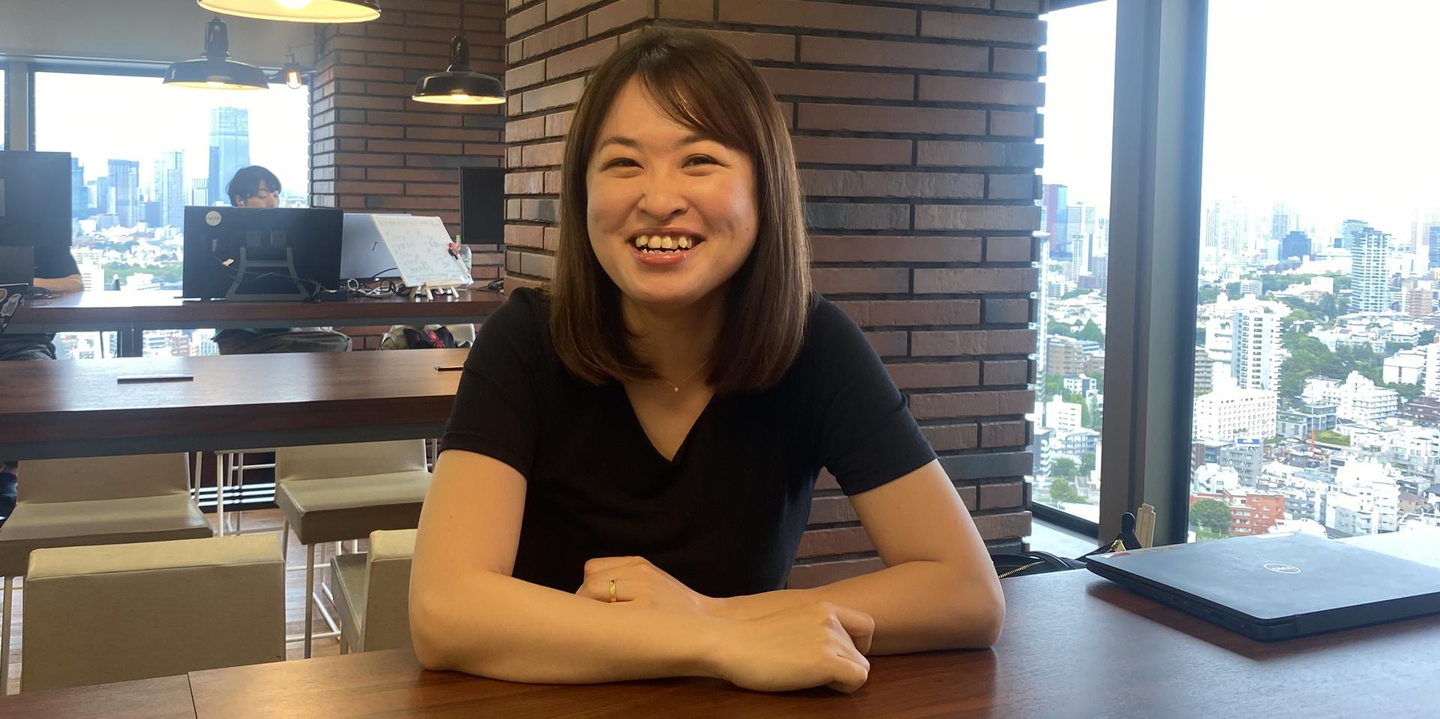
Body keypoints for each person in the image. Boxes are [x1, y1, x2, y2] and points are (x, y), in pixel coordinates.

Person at [409, 29, 1005, 695]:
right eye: (623, 163)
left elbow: (967, 593)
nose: (659, 199)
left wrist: (706, 615)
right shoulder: (525, 340)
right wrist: (717, 638)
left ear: (763, 189)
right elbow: (443, 611)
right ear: (582, 195)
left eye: (699, 160)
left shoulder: (815, 345)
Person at [211, 166, 350, 355]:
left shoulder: (287, 235)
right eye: (262, 196)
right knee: (336, 344)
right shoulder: (226, 239)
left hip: (281, 328)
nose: (272, 202)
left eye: (275, 195)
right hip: (240, 334)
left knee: (338, 342)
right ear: (239, 200)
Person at [0, 242, 83, 521]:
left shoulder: (42, 235)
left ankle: (14, 471)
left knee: (35, 379)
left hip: (23, 340)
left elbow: (75, 284)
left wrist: (22, 284)